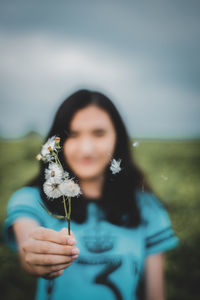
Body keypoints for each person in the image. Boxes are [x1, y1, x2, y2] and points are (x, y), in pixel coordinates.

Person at [4, 89, 179, 300]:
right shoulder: (31, 199)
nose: (86, 149)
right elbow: (27, 246)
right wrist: (34, 254)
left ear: (118, 138)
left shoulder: (147, 208)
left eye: (99, 133)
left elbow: (155, 294)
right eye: (73, 134)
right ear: (57, 143)